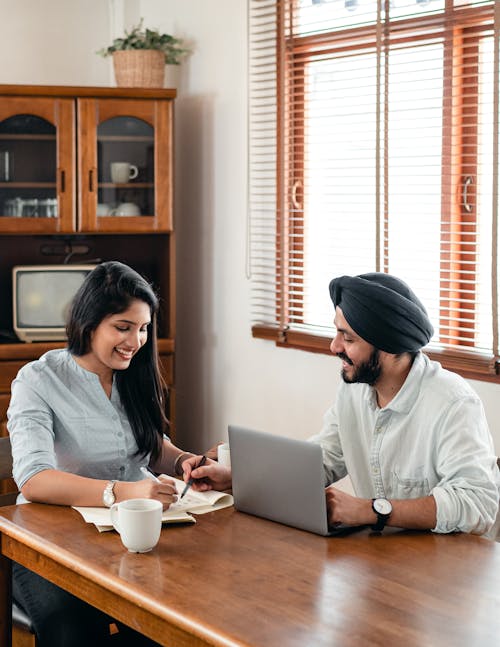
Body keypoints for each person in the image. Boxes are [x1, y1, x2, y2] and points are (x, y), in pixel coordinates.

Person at [7, 261, 227, 647]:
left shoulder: (134, 373)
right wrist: (126, 493)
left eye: (143, 329)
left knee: (174, 611)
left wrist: (180, 461)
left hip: (132, 536)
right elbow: (34, 479)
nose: (136, 341)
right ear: (89, 323)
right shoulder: (38, 379)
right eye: (122, 328)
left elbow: (147, 444)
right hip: (50, 541)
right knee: (72, 625)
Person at [308, 272, 499, 537]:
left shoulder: (453, 403)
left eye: (348, 338)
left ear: (388, 346)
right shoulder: (353, 392)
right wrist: (243, 476)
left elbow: (477, 504)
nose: (334, 346)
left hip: (448, 566)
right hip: (379, 559)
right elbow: (325, 457)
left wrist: (372, 510)